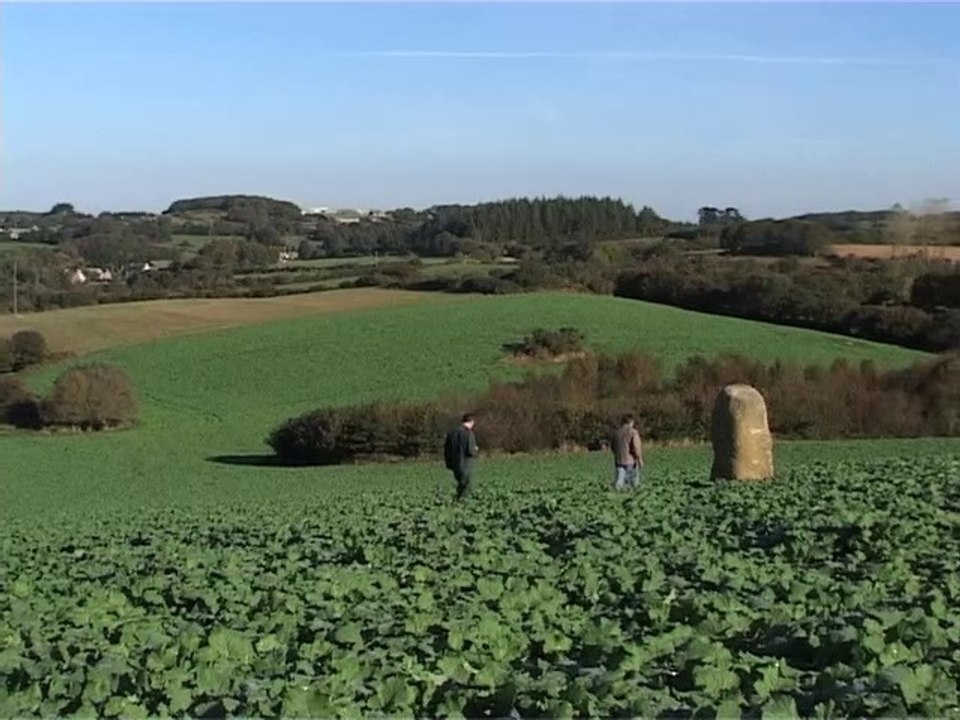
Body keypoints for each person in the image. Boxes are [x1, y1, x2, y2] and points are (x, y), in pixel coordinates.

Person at [444, 413, 479, 501]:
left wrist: (449, 463)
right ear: (471, 422)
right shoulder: (469, 433)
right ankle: (462, 503)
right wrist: (475, 449)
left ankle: (457, 502)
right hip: (466, 465)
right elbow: (470, 451)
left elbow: (446, 449)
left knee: (460, 484)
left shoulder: (452, 433)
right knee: (466, 486)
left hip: (455, 465)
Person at [611, 414, 643, 490]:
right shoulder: (633, 432)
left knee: (619, 483)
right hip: (631, 461)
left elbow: (613, 447)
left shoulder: (616, 433)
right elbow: (636, 447)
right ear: (631, 422)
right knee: (632, 484)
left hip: (618, 461)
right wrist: (640, 459)